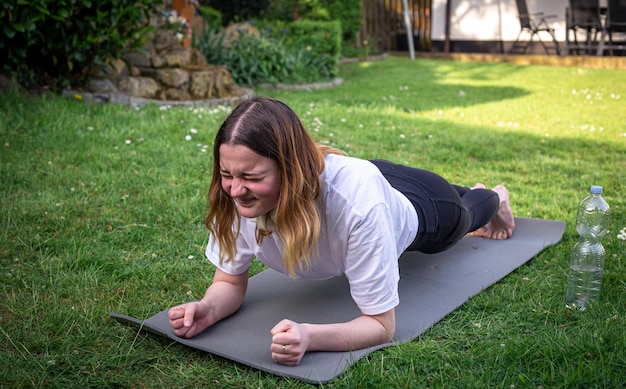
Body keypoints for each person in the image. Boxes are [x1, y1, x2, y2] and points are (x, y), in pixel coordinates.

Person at [168, 97, 515, 366]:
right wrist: (208, 308)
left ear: (291, 170)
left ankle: (496, 196)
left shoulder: (359, 205)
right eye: (228, 174)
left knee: (467, 212)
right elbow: (228, 281)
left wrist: (310, 336)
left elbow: (380, 325)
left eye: (253, 178)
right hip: (375, 181)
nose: (235, 189)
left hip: (423, 208)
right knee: (442, 194)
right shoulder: (234, 195)